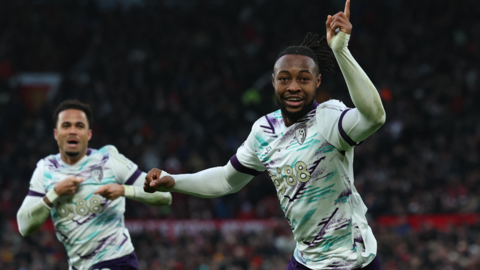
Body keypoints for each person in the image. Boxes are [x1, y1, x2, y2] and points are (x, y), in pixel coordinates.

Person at [144, 0, 384, 269]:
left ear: (317, 82)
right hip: (306, 260)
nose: (293, 86)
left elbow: (374, 116)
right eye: (284, 78)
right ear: (273, 82)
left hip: (353, 262)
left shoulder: (328, 119)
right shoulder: (264, 131)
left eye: (303, 79)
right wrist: (173, 180)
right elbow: (226, 179)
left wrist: (341, 52)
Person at [16, 100, 172, 270]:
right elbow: (24, 226)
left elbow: (164, 196)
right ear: (56, 133)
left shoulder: (109, 161)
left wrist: (124, 190)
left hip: (118, 262)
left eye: (79, 126)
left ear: (89, 134)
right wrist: (54, 194)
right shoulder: (45, 169)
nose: (73, 131)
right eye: (66, 126)